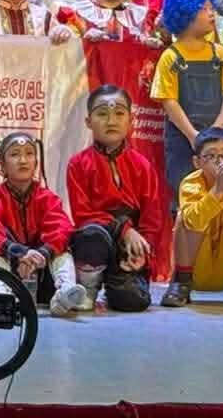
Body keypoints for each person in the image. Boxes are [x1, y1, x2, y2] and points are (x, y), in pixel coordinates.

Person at [150, 0, 223, 303]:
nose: (212, 14)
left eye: (211, 8)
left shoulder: (220, 54)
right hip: (182, 141)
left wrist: (216, 130)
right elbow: (168, 100)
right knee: (184, 207)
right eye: (204, 9)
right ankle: (181, 279)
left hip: (219, 139)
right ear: (185, 13)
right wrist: (194, 136)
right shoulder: (171, 57)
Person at [0, 129, 90, 314]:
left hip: (41, 272)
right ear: (2, 165)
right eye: (15, 154)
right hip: (10, 269)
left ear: (36, 163)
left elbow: (61, 228)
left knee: (61, 247)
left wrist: (42, 253)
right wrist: (19, 251)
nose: (23, 160)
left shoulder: (47, 197)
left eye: (29, 154)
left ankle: (65, 291)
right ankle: (3, 296)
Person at [63, 86, 155, 312]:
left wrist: (143, 254)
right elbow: (83, 214)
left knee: (133, 302)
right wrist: (124, 229)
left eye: (119, 113)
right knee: (91, 234)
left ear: (131, 120)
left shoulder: (143, 165)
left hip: (130, 247)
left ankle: (118, 281)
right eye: (102, 114)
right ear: (88, 122)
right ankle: (89, 289)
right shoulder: (78, 164)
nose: (111, 121)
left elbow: (153, 220)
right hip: (97, 237)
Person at [164, 127, 223, 303]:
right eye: (211, 156)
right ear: (197, 162)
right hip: (194, 267)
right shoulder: (191, 183)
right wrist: (218, 190)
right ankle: (181, 283)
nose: (219, 162)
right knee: (185, 218)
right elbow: (194, 220)